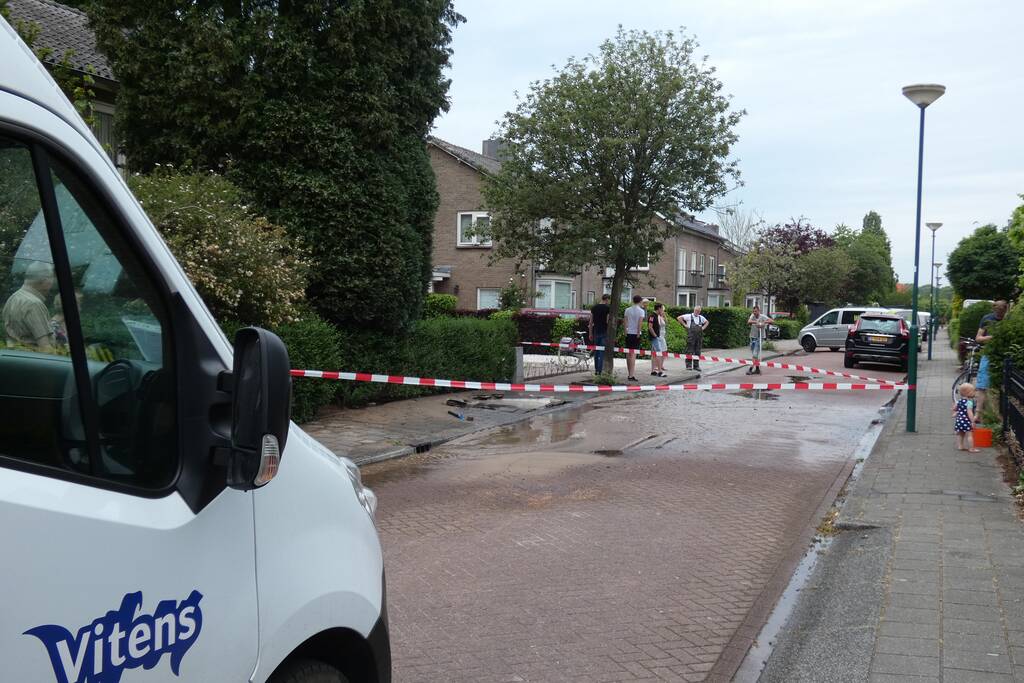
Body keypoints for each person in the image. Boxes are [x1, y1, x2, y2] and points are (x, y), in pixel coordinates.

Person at [3, 260, 56, 352]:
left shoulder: (12, 298)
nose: (53, 282)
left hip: (17, 357)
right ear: (45, 281)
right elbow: (46, 348)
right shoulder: (34, 304)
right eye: (52, 277)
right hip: (36, 359)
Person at [974, 300, 1008, 422]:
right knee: (982, 384)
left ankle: (999, 417)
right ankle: (978, 414)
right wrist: (991, 337)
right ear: (994, 310)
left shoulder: (1008, 320)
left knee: (1003, 386)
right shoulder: (987, 319)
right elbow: (978, 338)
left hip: (1004, 355)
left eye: (1002, 312)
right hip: (988, 354)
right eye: (998, 312)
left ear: (1005, 310)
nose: (999, 315)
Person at [677, 305, 709, 373]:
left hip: (699, 337)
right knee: (689, 351)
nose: (697, 312)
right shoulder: (688, 316)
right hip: (691, 337)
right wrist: (685, 325)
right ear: (694, 310)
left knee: (698, 351)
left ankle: (696, 366)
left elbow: (707, 322)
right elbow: (679, 318)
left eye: (698, 311)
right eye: (696, 310)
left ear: (700, 311)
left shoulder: (701, 317)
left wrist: (703, 328)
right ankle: (688, 366)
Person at [623, 295, 646, 382]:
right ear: (640, 301)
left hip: (628, 333)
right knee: (633, 354)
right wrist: (638, 333)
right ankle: (631, 375)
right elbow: (640, 323)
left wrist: (625, 331)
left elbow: (625, 321)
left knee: (628, 353)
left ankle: (629, 373)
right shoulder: (641, 311)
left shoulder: (627, 310)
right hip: (636, 333)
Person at [953, 382, 980, 452]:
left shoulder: (959, 401)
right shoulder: (969, 402)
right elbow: (969, 413)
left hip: (959, 420)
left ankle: (960, 446)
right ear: (968, 393)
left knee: (961, 434)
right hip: (966, 421)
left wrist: (956, 411)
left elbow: (955, 408)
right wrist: (972, 421)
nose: (974, 393)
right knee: (970, 435)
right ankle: (971, 448)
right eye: (973, 391)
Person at [747, 305, 774, 375]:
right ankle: (757, 369)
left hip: (759, 338)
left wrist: (764, 323)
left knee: (755, 354)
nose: (754, 313)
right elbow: (749, 322)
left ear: (759, 311)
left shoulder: (762, 316)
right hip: (752, 337)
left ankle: (750, 369)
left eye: (755, 311)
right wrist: (756, 322)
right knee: (754, 354)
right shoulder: (752, 316)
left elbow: (772, 321)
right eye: (753, 311)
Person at [589, 294, 611, 375]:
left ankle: (596, 370)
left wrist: (590, 333)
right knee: (601, 352)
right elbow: (607, 321)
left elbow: (591, 322)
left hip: (596, 331)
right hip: (604, 331)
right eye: (608, 300)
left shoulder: (594, 308)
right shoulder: (607, 308)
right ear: (607, 299)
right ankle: (599, 370)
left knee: (596, 351)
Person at [648, 302, 668, 378]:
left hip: (656, 337)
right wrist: (655, 336)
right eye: (662, 309)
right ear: (659, 309)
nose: (662, 310)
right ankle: (660, 371)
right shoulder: (652, 316)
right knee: (659, 353)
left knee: (654, 354)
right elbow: (650, 327)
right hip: (655, 338)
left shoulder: (656, 316)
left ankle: (653, 371)